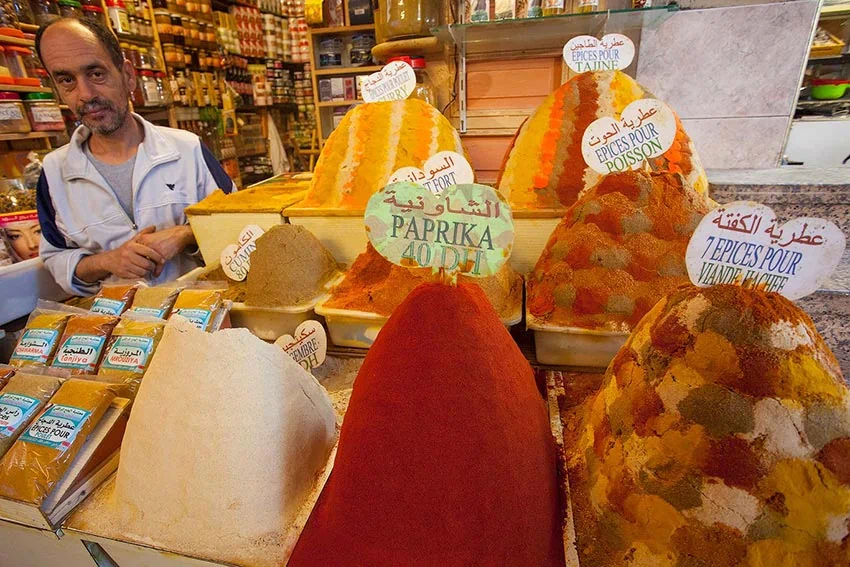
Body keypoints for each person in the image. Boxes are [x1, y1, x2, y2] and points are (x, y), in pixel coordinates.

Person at [34, 18, 235, 296]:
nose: (85, 95)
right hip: (116, 320)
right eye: (67, 80)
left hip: (202, 311)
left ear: (128, 76)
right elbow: (56, 258)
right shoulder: (54, 171)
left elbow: (237, 225)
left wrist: (185, 235)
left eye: (96, 74)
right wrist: (108, 261)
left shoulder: (187, 149)